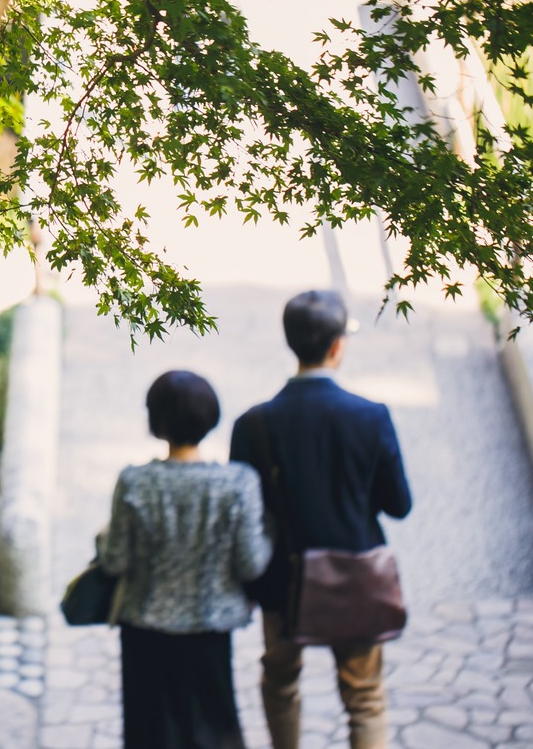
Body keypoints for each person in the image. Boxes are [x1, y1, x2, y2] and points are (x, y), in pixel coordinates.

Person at [230, 289, 413, 749]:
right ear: (337, 346)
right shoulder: (371, 417)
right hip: (355, 576)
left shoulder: (253, 424)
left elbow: (247, 517)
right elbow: (399, 505)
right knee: (365, 696)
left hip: (281, 582)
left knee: (280, 681)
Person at [98, 370, 272, 749]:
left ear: (155, 421)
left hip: (145, 627)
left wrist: (102, 540)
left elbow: (113, 562)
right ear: (211, 418)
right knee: (212, 732)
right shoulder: (238, 483)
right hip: (210, 627)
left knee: (149, 735)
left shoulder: (134, 481)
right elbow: (251, 565)